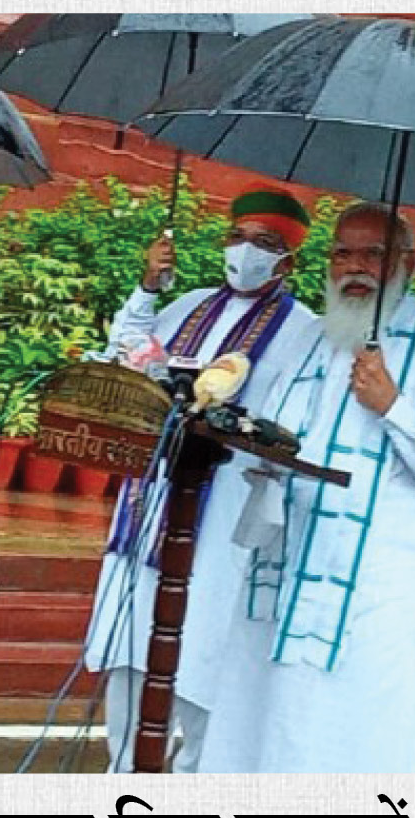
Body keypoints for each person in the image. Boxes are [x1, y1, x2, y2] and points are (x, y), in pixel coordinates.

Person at [198, 202, 415, 772]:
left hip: (370, 604)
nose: (354, 267)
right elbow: (274, 430)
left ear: (406, 264)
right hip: (281, 576)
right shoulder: (313, 337)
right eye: (342, 253)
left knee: (344, 751)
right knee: (260, 738)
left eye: (373, 254)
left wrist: (394, 406)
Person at [83, 187, 317, 773]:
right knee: (132, 644)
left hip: (226, 510)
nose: (245, 250)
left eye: (264, 242)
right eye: (237, 236)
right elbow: (128, 352)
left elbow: (298, 422)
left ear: (288, 260)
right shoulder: (188, 305)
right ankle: (125, 773)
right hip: (154, 494)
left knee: (206, 649)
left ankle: (196, 780)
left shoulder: (303, 332)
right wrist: (148, 288)